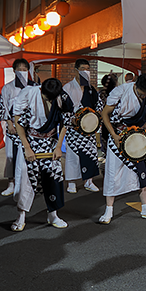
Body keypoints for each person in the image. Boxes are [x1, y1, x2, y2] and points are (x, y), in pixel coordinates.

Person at [98, 73, 146, 223]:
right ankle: (108, 210)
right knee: (112, 173)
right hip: (118, 136)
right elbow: (105, 114)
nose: (144, 96)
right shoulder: (120, 91)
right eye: (141, 94)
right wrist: (114, 135)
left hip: (137, 138)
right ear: (135, 86)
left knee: (143, 171)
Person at [10, 78, 73, 231]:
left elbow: (66, 121)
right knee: (25, 177)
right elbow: (19, 122)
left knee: (54, 176)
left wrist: (59, 147)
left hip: (50, 142)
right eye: (47, 97)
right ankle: (21, 216)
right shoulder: (28, 93)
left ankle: (53, 215)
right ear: (41, 90)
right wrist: (27, 148)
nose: (50, 100)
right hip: (30, 140)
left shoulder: (62, 97)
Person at [63, 59, 101, 193]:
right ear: (76, 70)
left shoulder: (91, 89)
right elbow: (62, 109)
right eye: (83, 68)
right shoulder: (67, 88)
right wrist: (71, 119)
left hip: (89, 129)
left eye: (88, 69)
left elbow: (98, 106)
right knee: (73, 156)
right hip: (74, 130)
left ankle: (89, 181)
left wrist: (96, 119)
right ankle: (71, 182)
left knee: (90, 154)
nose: (86, 71)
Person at [0, 58, 35, 196]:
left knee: (30, 154)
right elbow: (3, 107)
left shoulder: (34, 86)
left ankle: (29, 183)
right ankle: (11, 183)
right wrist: (9, 124)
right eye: (19, 69)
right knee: (12, 154)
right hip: (13, 128)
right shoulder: (8, 87)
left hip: (30, 128)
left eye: (25, 69)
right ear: (14, 71)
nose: (22, 72)